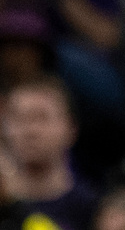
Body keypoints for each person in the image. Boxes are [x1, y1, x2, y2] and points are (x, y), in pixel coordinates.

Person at [0, 74, 99, 230]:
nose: (30, 131)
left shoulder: (93, 210)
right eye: (19, 118)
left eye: (42, 118)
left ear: (71, 128)